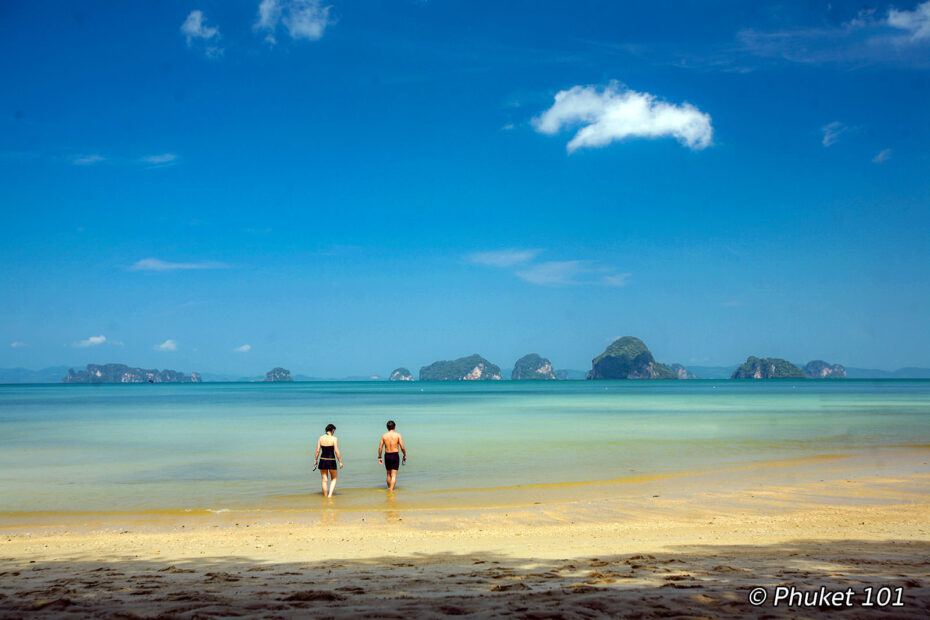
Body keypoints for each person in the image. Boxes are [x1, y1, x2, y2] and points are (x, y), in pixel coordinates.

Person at [314, 423, 343, 497]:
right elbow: (336, 451)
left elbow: (317, 450)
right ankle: (330, 495)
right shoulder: (334, 438)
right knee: (334, 478)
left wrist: (315, 460)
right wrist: (340, 462)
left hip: (322, 460)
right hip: (331, 460)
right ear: (332, 430)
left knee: (324, 480)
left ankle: (325, 496)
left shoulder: (321, 438)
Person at [377, 420, 406, 491]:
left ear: (387, 427)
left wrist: (379, 457)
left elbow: (380, 447)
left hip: (387, 455)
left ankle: (390, 488)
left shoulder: (384, 436)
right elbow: (402, 447)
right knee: (394, 475)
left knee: (388, 474)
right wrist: (404, 455)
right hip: (395, 455)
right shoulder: (398, 435)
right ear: (395, 427)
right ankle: (391, 490)